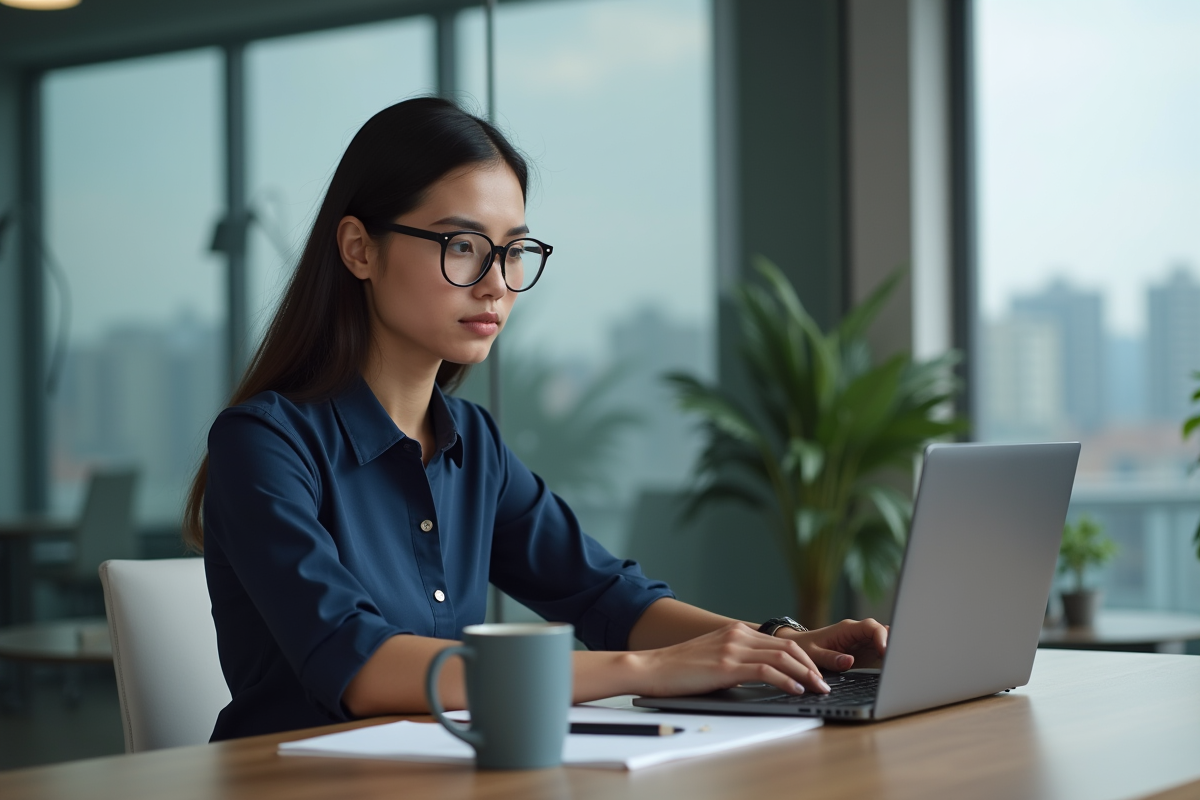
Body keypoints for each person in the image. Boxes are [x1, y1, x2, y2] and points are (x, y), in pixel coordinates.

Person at [183, 97, 888, 741]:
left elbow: (606, 596)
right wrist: (650, 672)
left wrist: (779, 649)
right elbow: (361, 666)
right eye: (462, 246)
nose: (496, 281)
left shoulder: (472, 444)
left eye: (514, 250)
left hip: (436, 775)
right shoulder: (264, 445)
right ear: (359, 248)